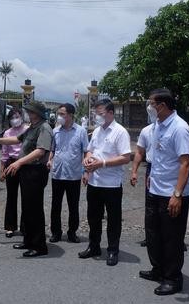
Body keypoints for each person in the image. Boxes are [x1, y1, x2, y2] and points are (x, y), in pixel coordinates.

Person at [0, 101, 53, 257]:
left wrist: (19, 162)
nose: (27, 114)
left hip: (35, 170)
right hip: (27, 170)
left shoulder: (44, 128)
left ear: (37, 113)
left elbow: (41, 151)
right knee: (27, 208)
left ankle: (39, 246)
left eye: (30, 111)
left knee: (34, 209)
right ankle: (28, 241)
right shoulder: (33, 127)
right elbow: (16, 140)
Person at [139, 88, 189, 296]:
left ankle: (172, 278)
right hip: (155, 190)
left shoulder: (179, 128)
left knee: (172, 237)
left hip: (172, 193)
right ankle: (158, 269)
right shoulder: (158, 126)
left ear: (161, 105)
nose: (149, 107)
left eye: (151, 103)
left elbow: (185, 163)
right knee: (153, 233)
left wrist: (177, 194)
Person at [78, 99, 131, 267]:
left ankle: (113, 250)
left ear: (110, 113)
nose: (97, 117)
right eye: (95, 113)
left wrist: (102, 164)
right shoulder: (97, 131)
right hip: (94, 182)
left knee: (113, 220)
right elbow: (90, 151)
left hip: (112, 184)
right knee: (93, 217)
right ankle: (94, 246)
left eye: (100, 113)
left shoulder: (120, 132)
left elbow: (126, 157)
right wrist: (87, 166)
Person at [47, 103, 89, 244]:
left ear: (71, 115)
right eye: (59, 114)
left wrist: (85, 172)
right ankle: (56, 233)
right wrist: (50, 160)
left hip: (74, 175)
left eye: (62, 114)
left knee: (73, 206)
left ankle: (72, 233)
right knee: (55, 205)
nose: (59, 116)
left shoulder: (81, 131)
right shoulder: (55, 131)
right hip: (58, 174)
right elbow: (53, 150)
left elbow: (86, 152)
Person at [130, 105, 157, 247]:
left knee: (168, 204)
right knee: (150, 204)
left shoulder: (177, 127)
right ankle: (150, 237)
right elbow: (140, 152)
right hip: (152, 168)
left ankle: (173, 238)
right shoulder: (147, 131)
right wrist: (134, 171)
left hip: (169, 169)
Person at [1, 108, 28, 238]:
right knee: (11, 196)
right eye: (12, 117)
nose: (15, 119)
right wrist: (2, 169)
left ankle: (25, 226)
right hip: (11, 164)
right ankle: (10, 227)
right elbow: (5, 152)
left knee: (26, 196)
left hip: (25, 164)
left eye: (17, 116)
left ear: (21, 117)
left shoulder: (28, 130)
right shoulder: (7, 133)